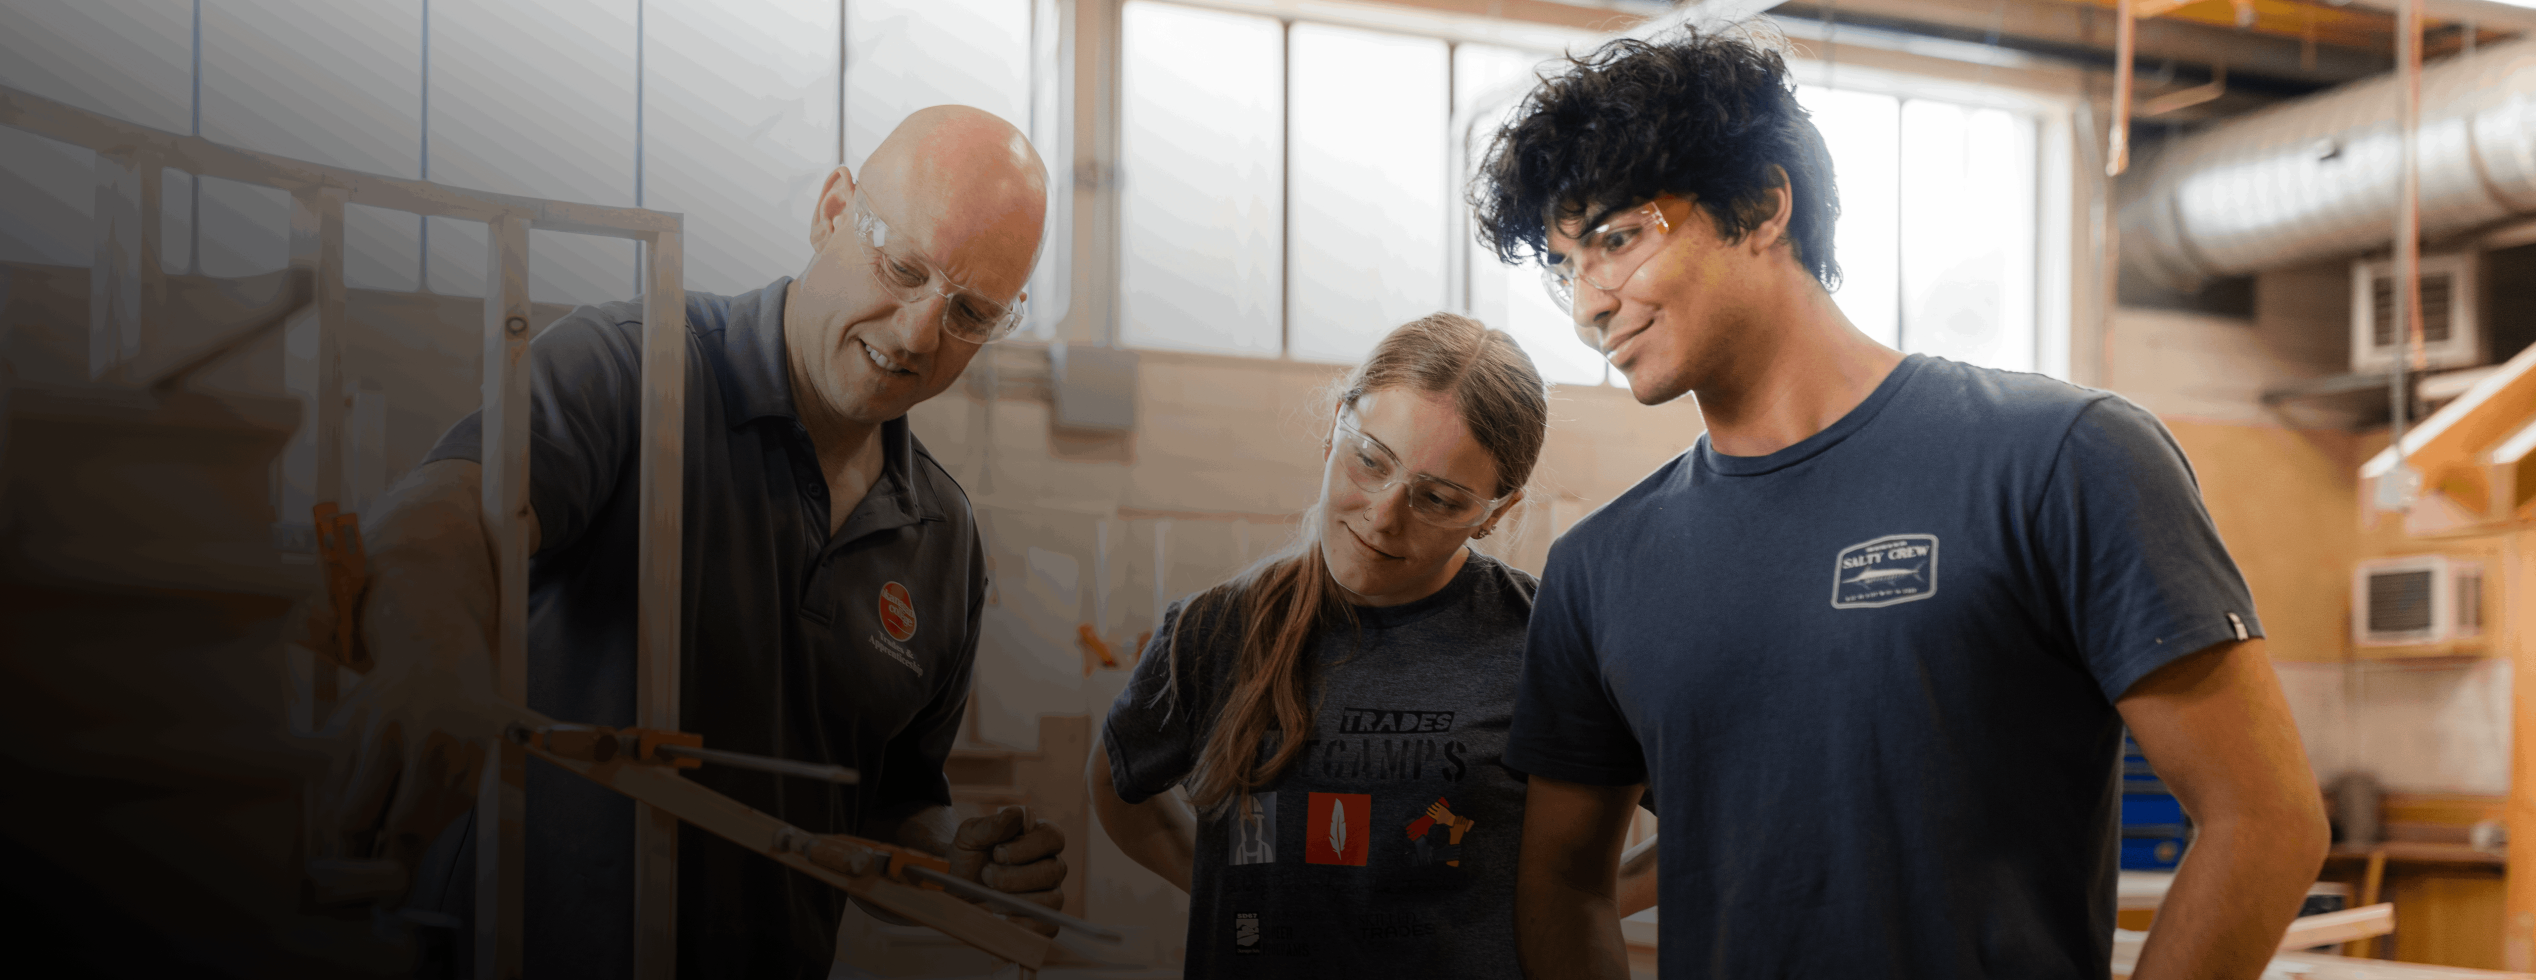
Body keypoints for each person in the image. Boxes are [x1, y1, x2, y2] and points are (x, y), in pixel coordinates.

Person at [1470, 31, 2329, 980]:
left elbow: (2267, 820)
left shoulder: (2062, 457)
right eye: (1562, 266)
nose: (1589, 302)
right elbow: (1562, 884)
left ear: (1761, 205)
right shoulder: (1599, 567)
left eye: (1617, 239)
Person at [309, 105, 1070, 978]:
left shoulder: (944, 539)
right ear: (831, 211)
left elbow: (883, 808)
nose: (916, 335)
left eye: (972, 314)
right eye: (902, 268)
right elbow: (438, 513)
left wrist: (953, 857)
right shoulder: (632, 371)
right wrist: (428, 657)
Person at [1093, 313, 1586, 979]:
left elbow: (1690, 815)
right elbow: (1115, 784)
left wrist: (1569, 903)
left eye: (1437, 499)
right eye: (1371, 461)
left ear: (1496, 512)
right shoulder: (1213, 631)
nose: (1383, 515)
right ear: (1334, 431)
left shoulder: (1544, 639)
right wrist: (1230, 891)